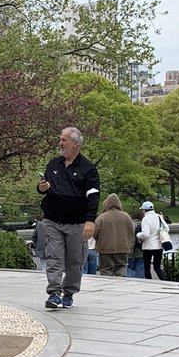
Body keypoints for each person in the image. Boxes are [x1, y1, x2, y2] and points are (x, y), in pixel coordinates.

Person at [37, 126, 100, 310]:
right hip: (52, 220)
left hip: (77, 223)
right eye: (60, 139)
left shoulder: (88, 169)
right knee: (54, 257)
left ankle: (69, 292)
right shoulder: (53, 164)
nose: (60, 143)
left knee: (74, 261)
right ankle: (54, 293)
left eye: (64, 140)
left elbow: (93, 196)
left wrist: (90, 220)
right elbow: (43, 188)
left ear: (76, 144)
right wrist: (41, 188)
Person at [94, 194, 135, 276]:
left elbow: (95, 233)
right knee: (121, 267)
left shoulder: (102, 218)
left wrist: (100, 240)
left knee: (106, 269)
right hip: (123, 248)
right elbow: (131, 231)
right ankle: (120, 284)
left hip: (105, 248)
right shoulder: (127, 217)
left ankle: (107, 286)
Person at [137, 200, 170, 280]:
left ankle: (149, 283)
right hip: (159, 246)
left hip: (148, 246)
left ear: (144, 210)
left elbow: (145, 234)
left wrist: (138, 235)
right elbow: (167, 228)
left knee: (147, 267)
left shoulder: (145, 219)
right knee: (157, 267)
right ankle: (165, 281)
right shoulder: (158, 216)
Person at [126, 208, 146, 278]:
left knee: (130, 267)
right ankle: (139, 283)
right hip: (141, 249)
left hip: (130, 249)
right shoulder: (144, 224)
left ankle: (128, 282)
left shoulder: (130, 225)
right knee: (140, 267)